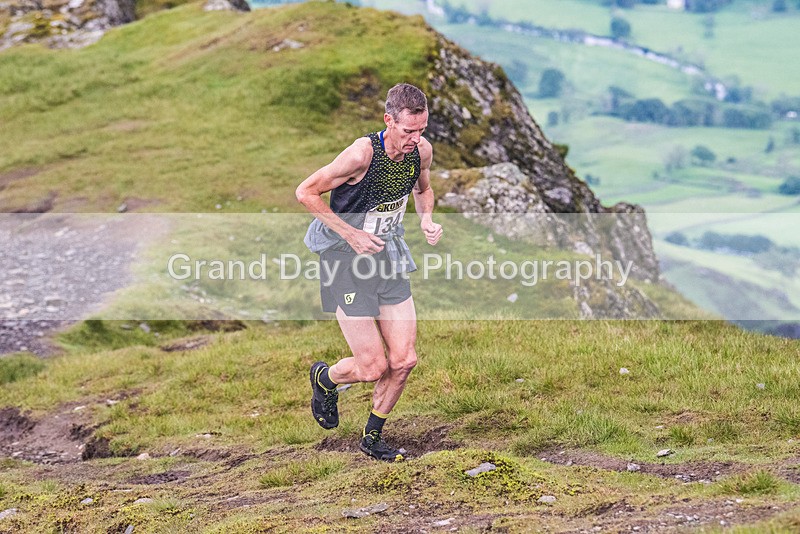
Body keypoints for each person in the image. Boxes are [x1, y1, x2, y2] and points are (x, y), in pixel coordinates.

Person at [295, 83, 442, 462]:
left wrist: (426, 219)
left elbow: (423, 189)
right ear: (388, 121)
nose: (415, 138)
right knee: (373, 366)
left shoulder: (420, 152)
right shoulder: (361, 154)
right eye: (408, 131)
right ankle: (324, 380)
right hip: (345, 257)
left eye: (421, 129)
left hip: (389, 253)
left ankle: (372, 438)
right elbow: (306, 192)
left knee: (404, 360)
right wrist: (351, 233)